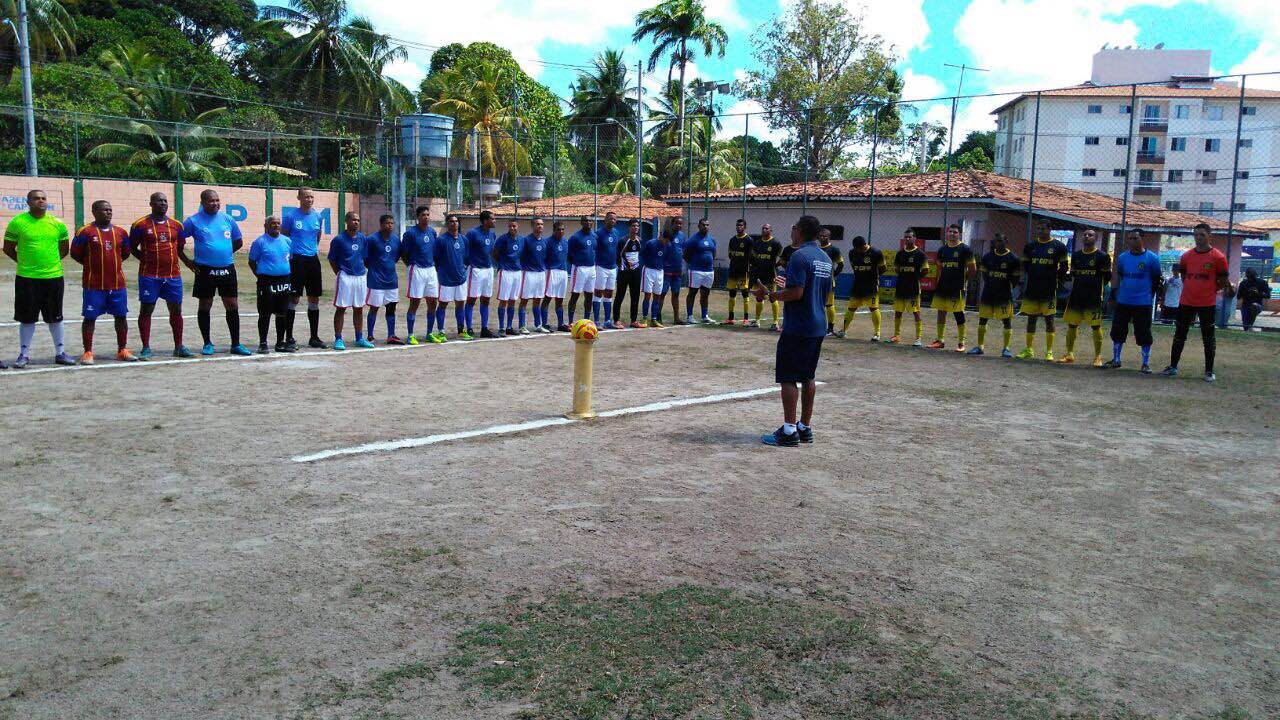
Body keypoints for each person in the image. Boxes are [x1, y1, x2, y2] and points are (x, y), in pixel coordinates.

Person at [758, 215, 832, 447]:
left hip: (799, 325)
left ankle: (789, 430)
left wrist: (772, 295)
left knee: (788, 377)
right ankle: (804, 426)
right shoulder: (825, 258)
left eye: (794, 228)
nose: (792, 231)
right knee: (808, 376)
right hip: (818, 324)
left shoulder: (799, 256)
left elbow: (796, 294)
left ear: (800, 231)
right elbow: (819, 289)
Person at [3, 191, 74, 368]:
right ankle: (24, 354)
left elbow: (64, 249)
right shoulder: (18, 222)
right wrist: (25, 262)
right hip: (27, 278)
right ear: (28, 202)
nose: (40, 201)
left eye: (43, 198)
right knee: (27, 318)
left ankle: (60, 353)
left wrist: (49, 263)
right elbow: (8, 248)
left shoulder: (57, 224)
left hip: (53, 277)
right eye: (36, 198)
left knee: (55, 317)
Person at [181, 189, 251, 356]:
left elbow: (238, 241)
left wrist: (223, 254)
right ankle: (207, 343)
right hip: (204, 270)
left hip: (227, 269)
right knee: (205, 305)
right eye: (211, 201)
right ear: (203, 202)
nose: (215, 203)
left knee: (232, 304)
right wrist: (187, 261)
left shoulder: (228, 219)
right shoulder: (193, 221)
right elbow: (177, 241)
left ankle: (236, 344)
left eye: (217, 200)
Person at [1162, 223, 1233, 381]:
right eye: (1196, 235)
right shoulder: (1186, 256)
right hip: (1186, 302)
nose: (1198, 238)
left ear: (1209, 236)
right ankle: (1173, 366)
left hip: (1207, 303)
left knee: (1208, 338)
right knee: (1180, 335)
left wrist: (1210, 290)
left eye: (1202, 235)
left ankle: (1209, 371)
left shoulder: (1218, 257)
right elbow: (1184, 277)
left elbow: (1223, 280)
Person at [70, 200, 136, 364]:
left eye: (110, 209)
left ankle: (122, 349)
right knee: (90, 318)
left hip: (117, 284)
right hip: (94, 285)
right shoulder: (85, 232)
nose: (108, 212)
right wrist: (93, 265)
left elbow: (125, 253)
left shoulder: (121, 232)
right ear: (94, 212)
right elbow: (76, 254)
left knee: (121, 316)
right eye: (105, 210)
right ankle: (88, 352)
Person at [128, 191, 191, 359]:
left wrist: (186, 262)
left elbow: (179, 249)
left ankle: (179, 346)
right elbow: (132, 248)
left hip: (172, 275)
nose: (163, 203)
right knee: (147, 309)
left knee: (176, 310)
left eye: (165, 201)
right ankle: (146, 347)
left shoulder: (177, 225)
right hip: (149, 276)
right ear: (151, 203)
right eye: (159, 201)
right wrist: (146, 259)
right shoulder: (140, 225)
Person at [1103, 229, 1161, 373]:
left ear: (1142, 238)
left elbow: (1156, 280)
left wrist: (1149, 296)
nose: (1132, 241)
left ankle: (1145, 363)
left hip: (1143, 303)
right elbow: (1121, 276)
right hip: (1124, 301)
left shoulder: (1152, 258)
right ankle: (1116, 359)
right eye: (1130, 238)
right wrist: (1116, 295)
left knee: (1143, 333)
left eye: (1135, 238)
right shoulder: (1122, 258)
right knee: (1118, 331)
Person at [1015, 221, 1069, 361]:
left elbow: (1064, 267)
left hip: (1049, 289)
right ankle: (1029, 349)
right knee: (1031, 318)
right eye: (1038, 228)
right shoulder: (1030, 246)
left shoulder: (1059, 246)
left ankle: (1049, 351)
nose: (1040, 231)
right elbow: (1026, 265)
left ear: (1050, 230)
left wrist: (1057, 280)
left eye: (1043, 229)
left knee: (1049, 319)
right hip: (1033, 288)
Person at [1059, 229, 1112, 366]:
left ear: (1096, 238)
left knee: (1095, 326)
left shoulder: (1102, 257)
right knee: (1072, 325)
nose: (1087, 236)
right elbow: (1074, 274)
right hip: (1076, 296)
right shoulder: (1076, 256)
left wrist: (1096, 289)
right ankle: (1069, 354)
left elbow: (1106, 278)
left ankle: (1097, 357)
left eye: (1091, 235)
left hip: (1093, 297)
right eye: (1085, 235)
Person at [282, 187, 327, 348]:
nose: (309, 199)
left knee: (314, 298)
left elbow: (317, 235)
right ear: (299, 198)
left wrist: (311, 249)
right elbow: (284, 237)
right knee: (294, 298)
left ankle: (314, 337)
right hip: (296, 260)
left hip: (312, 260)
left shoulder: (318, 216)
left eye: (311, 197)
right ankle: (289, 337)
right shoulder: (291, 216)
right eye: (306, 196)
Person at [968, 232, 1020, 357]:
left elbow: (1015, 279)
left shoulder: (1013, 259)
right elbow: (985, 275)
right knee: (983, 319)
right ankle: (980, 346)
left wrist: (1006, 288)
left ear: (1006, 242)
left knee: (1006, 320)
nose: (998, 243)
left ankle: (1006, 348)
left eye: (1000, 241)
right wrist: (992, 285)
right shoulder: (987, 257)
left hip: (1004, 295)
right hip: (988, 293)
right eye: (996, 241)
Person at [247, 215, 294, 354]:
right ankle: (263, 343)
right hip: (266, 281)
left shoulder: (287, 241)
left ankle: (280, 343)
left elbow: (289, 259)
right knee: (265, 313)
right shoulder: (259, 242)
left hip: (284, 281)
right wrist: (261, 276)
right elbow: (252, 261)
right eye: (273, 223)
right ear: (266, 226)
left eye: (278, 223)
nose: (276, 225)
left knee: (282, 313)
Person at [327, 211, 372, 351]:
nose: (356, 222)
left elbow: (365, 258)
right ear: (346, 221)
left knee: (358, 308)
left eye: (358, 220)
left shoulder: (363, 238)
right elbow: (332, 260)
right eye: (353, 220)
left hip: (360, 277)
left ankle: (359, 338)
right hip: (345, 277)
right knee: (341, 308)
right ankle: (338, 339)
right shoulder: (339, 239)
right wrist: (340, 273)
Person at [926, 224, 975, 351]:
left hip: (957, 287)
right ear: (947, 233)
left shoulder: (965, 249)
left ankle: (961, 343)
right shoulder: (942, 250)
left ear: (959, 234)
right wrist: (937, 282)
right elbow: (939, 268)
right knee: (941, 312)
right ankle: (940, 340)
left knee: (958, 313)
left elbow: (973, 269)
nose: (952, 234)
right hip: (943, 286)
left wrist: (964, 280)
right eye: (950, 231)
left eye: (955, 232)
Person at [401, 205, 441, 345]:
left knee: (432, 302)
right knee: (415, 302)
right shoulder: (410, 233)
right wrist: (411, 265)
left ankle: (429, 333)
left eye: (428, 215)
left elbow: (435, 252)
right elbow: (404, 254)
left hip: (431, 270)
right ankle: (411, 335)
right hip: (416, 269)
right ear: (417, 217)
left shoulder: (432, 232)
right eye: (423, 215)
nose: (426, 217)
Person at [364, 214, 402, 344]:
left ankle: (391, 334)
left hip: (391, 281)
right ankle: (370, 335)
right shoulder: (372, 239)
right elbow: (365, 259)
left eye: (392, 223)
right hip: (376, 281)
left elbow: (396, 257)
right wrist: (375, 269)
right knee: (374, 307)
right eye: (387, 223)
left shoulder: (396, 240)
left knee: (391, 308)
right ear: (381, 224)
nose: (390, 225)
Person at [837, 235, 884, 340]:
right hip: (858, 285)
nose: (858, 250)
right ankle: (843, 330)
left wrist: (872, 277)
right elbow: (855, 267)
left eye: (859, 248)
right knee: (851, 308)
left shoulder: (876, 253)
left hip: (871, 286)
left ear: (864, 245)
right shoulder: (852, 253)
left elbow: (883, 268)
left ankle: (877, 333)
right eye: (856, 248)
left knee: (874, 308)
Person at [890, 229, 928, 346]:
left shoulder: (920, 254)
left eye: (909, 237)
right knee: (898, 312)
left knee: (916, 312)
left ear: (914, 238)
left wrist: (916, 277)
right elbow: (896, 269)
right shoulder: (900, 253)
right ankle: (896, 336)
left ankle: (918, 338)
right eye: (905, 237)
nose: (907, 239)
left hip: (913, 289)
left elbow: (926, 270)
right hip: (901, 287)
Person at [464, 210, 498, 339]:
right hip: (476, 270)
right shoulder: (472, 233)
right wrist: (468, 264)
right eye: (492, 219)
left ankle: (484, 328)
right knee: (471, 299)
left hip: (488, 270)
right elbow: (465, 250)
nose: (494, 221)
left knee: (486, 299)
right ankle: (469, 328)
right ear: (485, 220)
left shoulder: (492, 234)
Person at [436, 213, 469, 340]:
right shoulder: (441, 240)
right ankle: (441, 331)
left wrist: (462, 269)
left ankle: (461, 330)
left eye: (456, 221)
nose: (454, 223)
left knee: (460, 305)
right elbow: (436, 258)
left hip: (460, 278)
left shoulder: (464, 239)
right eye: (451, 221)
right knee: (443, 305)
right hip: (446, 279)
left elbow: (466, 258)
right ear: (447, 224)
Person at [494, 219, 525, 335]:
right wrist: (502, 264)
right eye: (510, 226)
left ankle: (509, 327)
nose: (512, 228)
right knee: (504, 300)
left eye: (514, 226)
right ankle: (501, 327)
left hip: (517, 272)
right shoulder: (503, 239)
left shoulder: (522, 239)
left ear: (518, 226)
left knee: (513, 300)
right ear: (508, 227)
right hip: (505, 271)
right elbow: (495, 253)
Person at [748, 223, 782, 329]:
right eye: (763, 228)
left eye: (766, 228)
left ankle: (775, 322)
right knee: (759, 297)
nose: (764, 230)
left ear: (770, 230)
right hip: (759, 274)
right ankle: (757, 321)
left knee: (773, 297)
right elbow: (752, 257)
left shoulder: (775, 243)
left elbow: (782, 257)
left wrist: (775, 266)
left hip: (771, 274)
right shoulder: (757, 243)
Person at [684, 217, 717, 324]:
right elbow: (685, 255)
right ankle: (690, 316)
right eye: (703, 225)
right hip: (696, 271)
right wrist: (693, 264)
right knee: (692, 293)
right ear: (699, 226)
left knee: (705, 294)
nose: (705, 227)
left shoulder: (712, 240)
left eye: (707, 225)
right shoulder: (693, 239)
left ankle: (704, 316)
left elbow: (713, 254)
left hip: (709, 271)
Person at [519, 218, 549, 334]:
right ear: (532, 226)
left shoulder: (545, 241)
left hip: (541, 273)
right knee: (524, 300)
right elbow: (521, 255)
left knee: (537, 300)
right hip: (529, 273)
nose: (540, 226)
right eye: (537, 224)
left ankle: (538, 325)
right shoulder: (526, 240)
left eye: (541, 224)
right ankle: (522, 326)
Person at [594, 211, 623, 328]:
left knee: (609, 293)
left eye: (614, 219)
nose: (612, 221)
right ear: (605, 220)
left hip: (612, 268)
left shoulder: (616, 233)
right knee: (598, 293)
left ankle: (607, 321)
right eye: (610, 219)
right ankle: (596, 321)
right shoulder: (598, 233)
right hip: (600, 267)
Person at [567, 215, 597, 324]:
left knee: (589, 295)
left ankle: (587, 321)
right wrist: (578, 264)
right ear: (581, 222)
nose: (588, 222)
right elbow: (569, 255)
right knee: (575, 295)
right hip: (579, 269)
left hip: (592, 269)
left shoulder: (595, 236)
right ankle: (570, 322)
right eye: (586, 221)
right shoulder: (575, 237)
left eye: (590, 221)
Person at [542, 220, 571, 332]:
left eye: (562, 229)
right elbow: (543, 257)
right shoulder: (547, 241)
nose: (560, 231)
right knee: (547, 298)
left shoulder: (565, 241)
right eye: (558, 229)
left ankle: (560, 324)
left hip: (563, 272)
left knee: (560, 299)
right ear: (554, 230)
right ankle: (544, 323)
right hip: (551, 271)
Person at [614, 219, 644, 327]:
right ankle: (616, 320)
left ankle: (634, 320)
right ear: (629, 227)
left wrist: (635, 267)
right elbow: (618, 256)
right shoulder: (623, 241)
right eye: (633, 226)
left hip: (635, 273)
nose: (635, 228)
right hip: (624, 272)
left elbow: (639, 254)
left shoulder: (639, 240)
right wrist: (624, 267)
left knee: (635, 296)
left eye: (637, 226)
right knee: (619, 296)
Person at [723, 218, 752, 325]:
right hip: (733, 271)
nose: (739, 227)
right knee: (732, 294)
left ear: (744, 227)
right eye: (737, 225)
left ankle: (746, 318)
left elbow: (751, 256)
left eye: (741, 225)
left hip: (743, 271)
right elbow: (730, 255)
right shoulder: (732, 240)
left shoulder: (749, 240)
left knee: (745, 293)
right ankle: (730, 318)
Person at [640, 226, 669, 327]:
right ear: (661, 236)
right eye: (665, 239)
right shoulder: (651, 243)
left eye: (668, 240)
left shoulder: (667, 245)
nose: (666, 242)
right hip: (649, 270)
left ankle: (654, 319)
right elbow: (642, 255)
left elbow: (665, 259)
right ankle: (644, 318)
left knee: (657, 296)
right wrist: (646, 265)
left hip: (660, 272)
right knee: (647, 295)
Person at [817, 228, 845, 336]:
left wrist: (834, 275)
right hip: (817, 281)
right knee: (818, 304)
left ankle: (830, 328)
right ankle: (819, 326)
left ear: (829, 237)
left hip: (828, 282)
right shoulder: (817, 249)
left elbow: (841, 264)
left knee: (829, 305)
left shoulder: (834, 249)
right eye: (821, 236)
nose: (822, 238)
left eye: (825, 236)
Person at [661, 216, 688, 324]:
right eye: (677, 223)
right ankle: (657, 316)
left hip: (677, 270)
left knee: (676, 294)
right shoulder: (666, 234)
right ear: (672, 224)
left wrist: (682, 267)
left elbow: (682, 252)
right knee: (662, 293)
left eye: (681, 224)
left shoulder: (682, 236)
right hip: (666, 269)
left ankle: (676, 318)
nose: (679, 225)